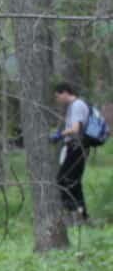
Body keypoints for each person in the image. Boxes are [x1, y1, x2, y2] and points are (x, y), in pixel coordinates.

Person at [50, 82, 89, 222]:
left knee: (63, 180)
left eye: (58, 96)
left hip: (76, 148)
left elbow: (76, 128)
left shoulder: (77, 105)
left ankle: (74, 212)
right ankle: (81, 215)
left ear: (65, 92)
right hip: (75, 147)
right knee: (74, 182)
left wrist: (60, 134)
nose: (58, 99)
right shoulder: (73, 106)